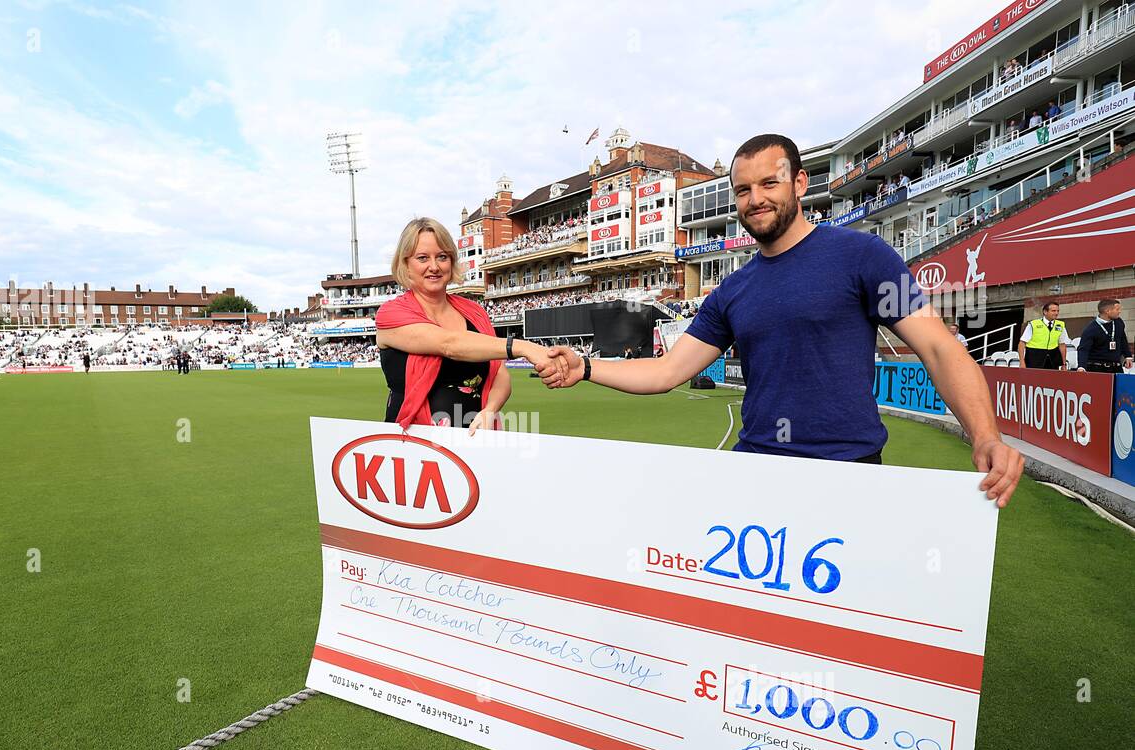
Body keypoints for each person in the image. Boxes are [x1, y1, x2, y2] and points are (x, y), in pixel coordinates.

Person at [539, 133, 1024, 508]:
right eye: (743, 190)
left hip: (847, 474)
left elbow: (939, 347)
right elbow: (667, 371)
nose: (755, 199)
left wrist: (985, 436)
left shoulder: (862, 255)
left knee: (839, 627)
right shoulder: (732, 289)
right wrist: (585, 367)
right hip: (754, 474)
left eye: (769, 183)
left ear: (799, 183)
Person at [374, 217, 561, 433]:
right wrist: (522, 347)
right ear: (405, 264)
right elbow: (449, 344)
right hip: (413, 445)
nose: (434, 266)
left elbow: (499, 374)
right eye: (423, 258)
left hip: (474, 441)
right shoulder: (391, 313)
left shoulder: (474, 312)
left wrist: (490, 410)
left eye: (442, 257)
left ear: (451, 261)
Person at [1076, 299, 1131, 373]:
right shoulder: (1091, 329)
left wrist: (1128, 356)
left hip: (1116, 367)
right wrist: (1081, 366)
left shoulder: (1118, 322)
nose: (1119, 311)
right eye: (1117, 309)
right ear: (1107, 311)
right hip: (1097, 368)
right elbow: (1083, 349)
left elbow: (1122, 339)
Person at [1017, 301, 1067, 370]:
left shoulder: (1061, 325)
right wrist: (1022, 362)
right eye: (1053, 311)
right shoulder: (1033, 324)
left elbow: (1062, 345)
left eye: (1057, 311)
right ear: (1045, 312)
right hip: (1033, 359)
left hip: (1052, 361)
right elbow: (1022, 344)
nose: (1056, 313)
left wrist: (1063, 364)